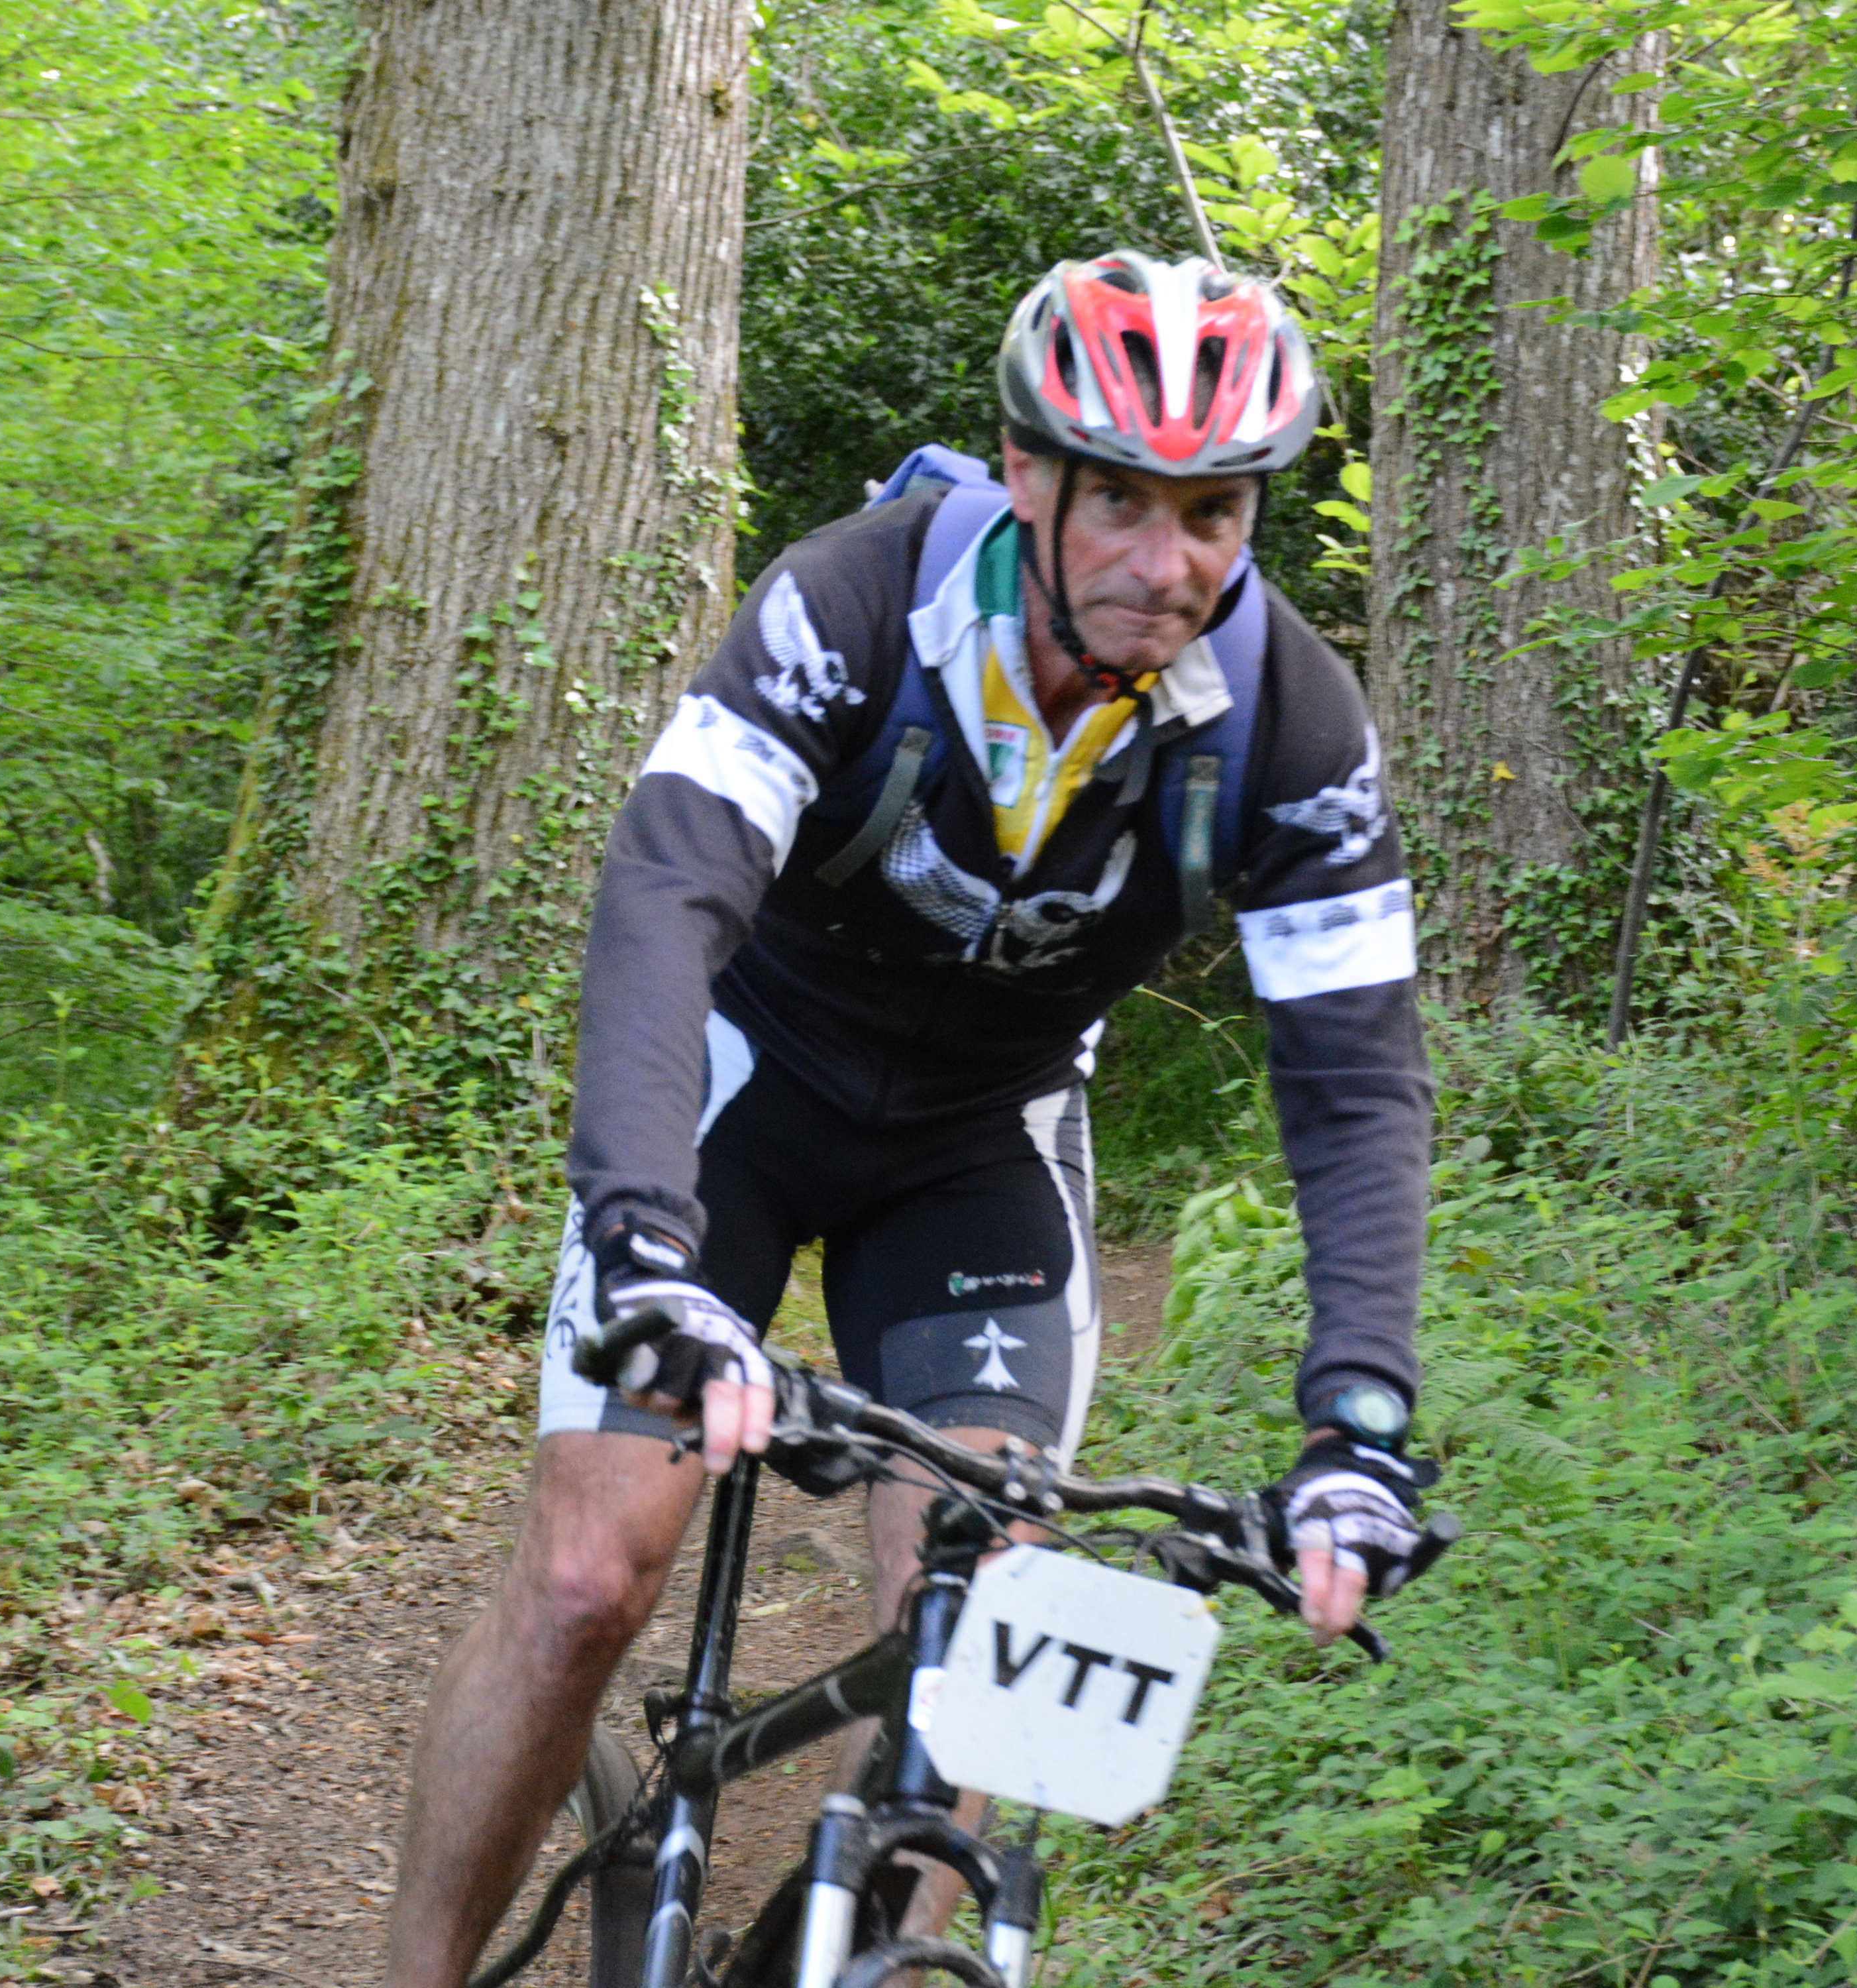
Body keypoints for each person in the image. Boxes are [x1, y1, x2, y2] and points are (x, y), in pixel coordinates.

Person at [384, 250, 1435, 1986]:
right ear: (1027, 474)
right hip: (741, 1094)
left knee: (988, 1643)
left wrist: (1363, 1425)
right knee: (587, 1578)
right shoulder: (856, 603)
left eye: (1212, 514)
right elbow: (666, 898)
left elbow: (1356, 1078)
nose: (1166, 562)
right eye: (1119, 501)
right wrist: (643, 1240)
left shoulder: (1292, 722)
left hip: (979, 1145)